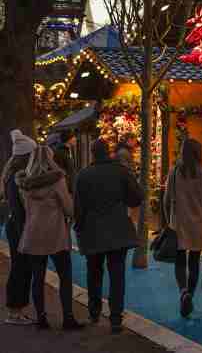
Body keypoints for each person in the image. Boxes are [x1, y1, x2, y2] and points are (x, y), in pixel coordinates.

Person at [74, 138, 142, 334]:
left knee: (94, 272)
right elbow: (137, 196)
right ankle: (115, 318)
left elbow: (78, 207)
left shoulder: (83, 175)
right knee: (117, 274)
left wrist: (79, 227)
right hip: (118, 229)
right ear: (109, 152)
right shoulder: (120, 171)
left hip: (92, 230)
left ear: (93, 154)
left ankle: (94, 312)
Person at [16, 145, 83, 330]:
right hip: (55, 236)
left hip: (33, 234)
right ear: (50, 159)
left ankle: (41, 318)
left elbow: (24, 208)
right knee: (65, 276)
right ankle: (68, 317)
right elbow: (69, 208)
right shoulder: (57, 180)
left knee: (37, 278)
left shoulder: (24, 184)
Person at [163, 138, 202, 318]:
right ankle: (191, 295)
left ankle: (183, 292)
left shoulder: (174, 172)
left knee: (179, 260)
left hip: (178, 222)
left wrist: (167, 220)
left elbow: (166, 199)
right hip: (199, 223)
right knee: (194, 261)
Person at [1, 130, 36, 325]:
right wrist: (26, 233)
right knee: (20, 268)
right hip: (19, 228)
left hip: (15, 227)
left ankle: (16, 309)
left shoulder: (11, 175)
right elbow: (19, 208)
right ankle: (15, 310)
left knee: (20, 267)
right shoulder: (16, 178)